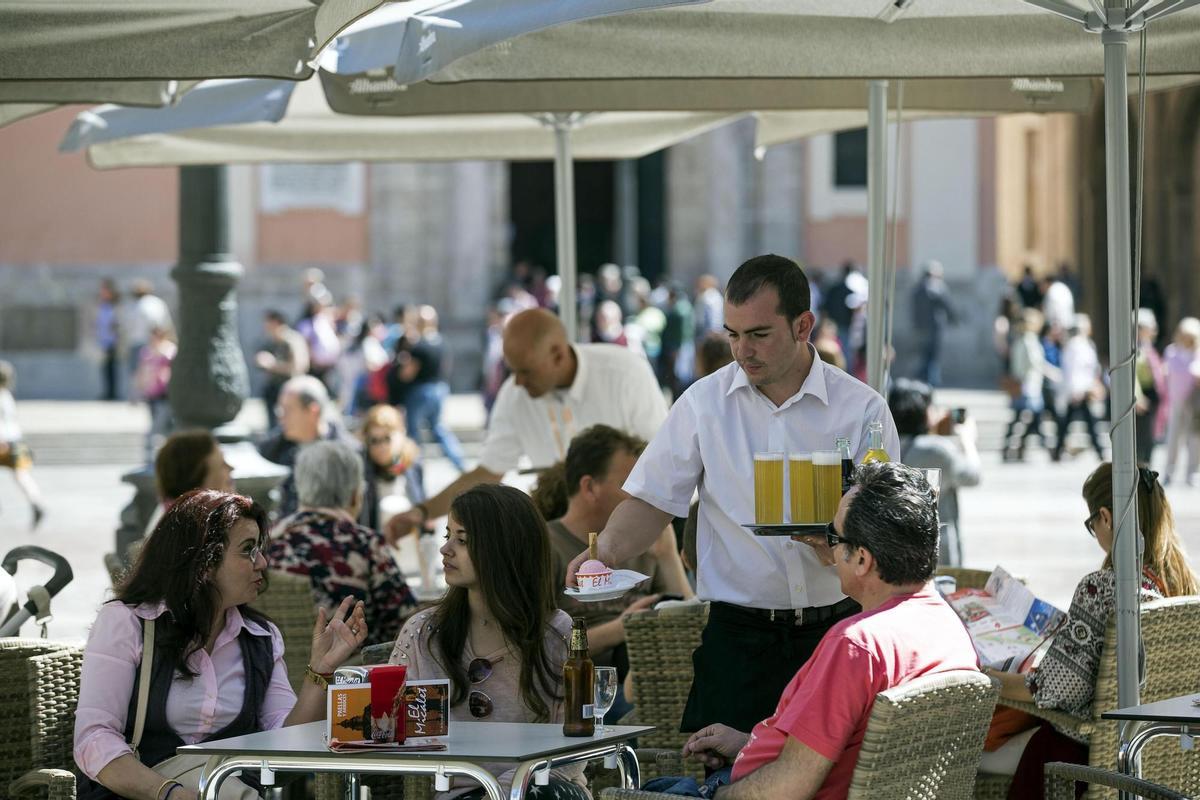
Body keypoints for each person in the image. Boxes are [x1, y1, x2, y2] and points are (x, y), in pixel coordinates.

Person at [567, 254, 900, 735]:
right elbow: (651, 499)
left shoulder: (862, 409)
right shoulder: (704, 403)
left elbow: (889, 527)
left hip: (839, 631)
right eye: (733, 334)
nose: (743, 350)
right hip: (738, 638)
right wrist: (606, 554)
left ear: (803, 325)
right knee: (726, 783)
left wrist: (845, 547)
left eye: (759, 334)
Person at [642, 462, 979, 799]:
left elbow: (789, 786)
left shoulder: (857, 645)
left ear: (861, 559)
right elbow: (845, 748)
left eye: (833, 536)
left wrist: (715, 796)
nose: (828, 548)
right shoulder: (948, 626)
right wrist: (750, 743)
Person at [74, 489, 368, 800]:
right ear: (203, 560)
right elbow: (94, 738)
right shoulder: (128, 622)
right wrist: (169, 793)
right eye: (248, 550)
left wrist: (320, 672)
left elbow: (284, 747)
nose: (263, 562)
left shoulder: (260, 637)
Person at [979, 463, 1198, 798]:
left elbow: (1053, 690)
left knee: (974, 753)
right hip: (1159, 752)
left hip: (1082, 759)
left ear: (1106, 517)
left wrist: (983, 676)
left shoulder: (1103, 588)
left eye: (1091, 523)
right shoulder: (1185, 587)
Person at [385, 308, 668, 543]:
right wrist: (422, 512)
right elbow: (488, 471)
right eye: (512, 371)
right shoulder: (514, 394)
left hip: (635, 530)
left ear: (558, 355)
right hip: (559, 536)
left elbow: (657, 461)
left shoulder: (624, 373)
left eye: (525, 371)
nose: (517, 382)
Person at [387, 485, 589, 800]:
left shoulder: (556, 634)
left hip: (540, 791)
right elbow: (395, 735)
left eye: (463, 540)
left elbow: (571, 752)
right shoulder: (424, 633)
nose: (446, 549)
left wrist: (501, 793)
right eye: (447, 536)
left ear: (504, 548)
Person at [531, 425, 694, 720]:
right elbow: (535, 650)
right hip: (585, 689)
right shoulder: (545, 546)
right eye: (630, 483)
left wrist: (668, 555)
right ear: (590, 487)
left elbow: (691, 620)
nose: (642, 494)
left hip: (656, 677)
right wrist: (623, 628)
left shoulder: (646, 541)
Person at [268, 441, 417, 647]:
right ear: (356, 495)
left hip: (276, 670)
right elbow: (406, 623)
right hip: (349, 674)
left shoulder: (269, 540)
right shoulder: (365, 545)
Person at [887, 379, 981, 566]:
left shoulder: (887, 444)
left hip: (897, 548)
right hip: (936, 551)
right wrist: (967, 439)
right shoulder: (936, 449)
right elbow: (973, 476)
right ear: (923, 411)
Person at [258, 375, 355, 520]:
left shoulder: (349, 454)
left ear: (312, 411)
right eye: (280, 408)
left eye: (288, 409)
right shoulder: (271, 450)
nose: (281, 416)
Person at [403, 305, 467, 472]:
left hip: (421, 391)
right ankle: (460, 463)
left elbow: (408, 373)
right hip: (440, 389)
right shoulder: (442, 343)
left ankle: (414, 468)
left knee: (413, 432)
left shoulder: (418, 346)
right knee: (438, 428)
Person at [145, 430, 235, 538]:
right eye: (222, 464)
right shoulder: (188, 536)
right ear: (197, 477)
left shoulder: (171, 521)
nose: (231, 467)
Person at [1053, 314, 1105, 463]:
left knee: (1077, 422)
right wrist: (1076, 390)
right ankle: (1098, 450)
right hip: (1079, 390)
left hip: (1085, 389)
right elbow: (1073, 370)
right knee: (1088, 422)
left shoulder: (1085, 344)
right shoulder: (1075, 346)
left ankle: (1058, 450)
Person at [1001, 309, 1051, 462]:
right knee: (1032, 417)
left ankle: (1014, 446)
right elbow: (1036, 363)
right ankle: (1048, 448)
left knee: (1023, 418)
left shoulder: (1018, 340)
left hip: (1022, 384)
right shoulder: (1029, 340)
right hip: (1029, 385)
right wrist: (1052, 372)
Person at [0, 361, 45, 528]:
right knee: (21, 475)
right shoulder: (7, 396)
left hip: (3, 440)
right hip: (15, 441)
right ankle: (36, 502)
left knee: (20, 474)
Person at [254, 310, 310, 432]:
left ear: (276, 323)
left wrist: (273, 365)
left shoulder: (292, 340)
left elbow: (298, 367)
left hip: (290, 388)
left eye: (268, 323)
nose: (266, 327)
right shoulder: (273, 341)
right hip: (274, 388)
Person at [1163, 317, 1200, 486]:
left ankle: (1192, 472)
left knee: (1194, 438)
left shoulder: (1198, 353)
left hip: (1194, 404)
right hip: (1176, 401)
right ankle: (1169, 471)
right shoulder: (1171, 352)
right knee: (1173, 438)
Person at [132, 325, 176, 462]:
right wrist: (135, 391)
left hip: (165, 394)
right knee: (164, 427)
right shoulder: (147, 352)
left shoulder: (169, 350)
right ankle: (169, 454)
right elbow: (141, 371)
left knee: (157, 427)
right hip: (151, 393)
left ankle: (151, 456)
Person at [910, 260, 957, 387]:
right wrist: (954, 319)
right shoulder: (936, 287)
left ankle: (922, 381)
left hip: (920, 328)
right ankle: (931, 383)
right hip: (934, 328)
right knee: (932, 357)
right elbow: (947, 305)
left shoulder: (917, 289)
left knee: (924, 356)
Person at [1134, 308, 1167, 465]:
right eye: (1150, 327)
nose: (1154, 330)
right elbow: (1131, 375)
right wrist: (1137, 397)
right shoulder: (1134, 348)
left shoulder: (1147, 346)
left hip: (1153, 395)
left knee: (1150, 437)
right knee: (1143, 438)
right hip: (1143, 397)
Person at [127, 280, 175, 380]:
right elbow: (166, 322)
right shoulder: (158, 302)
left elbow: (130, 325)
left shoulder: (138, 305)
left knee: (139, 370)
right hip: (158, 340)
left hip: (139, 341)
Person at [95, 278, 122, 401]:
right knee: (105, 368)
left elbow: (118, 323)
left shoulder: (115, 306)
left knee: (112, 368)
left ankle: (112, 393)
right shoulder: (102, 305)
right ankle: (107, 392)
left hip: (113, 341)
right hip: (104, 341)